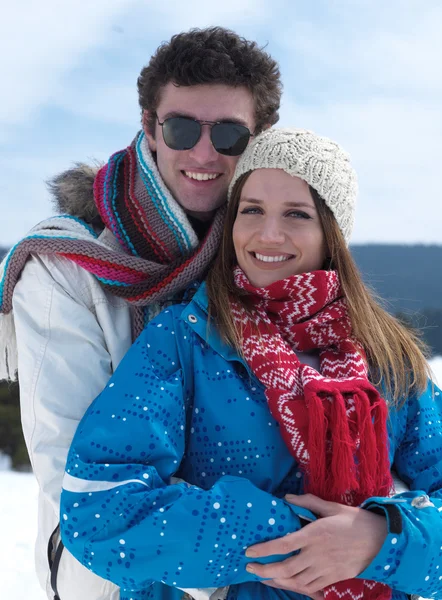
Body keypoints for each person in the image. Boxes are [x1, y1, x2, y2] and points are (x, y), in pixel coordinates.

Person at [59, 128, 442, 600]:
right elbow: (97, 510)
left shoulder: (387, 358)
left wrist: (379, 539)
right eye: (251, 210)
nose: (268, 234)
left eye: (297, 214)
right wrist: (296, 537)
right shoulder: (186, 340)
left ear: (332, 234)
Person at [0, 27, 282, 600]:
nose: (204, 154)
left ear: (259, 141)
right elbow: (75, 475)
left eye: (228, 134)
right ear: (151, 128)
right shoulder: (66, 265)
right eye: (181, 128)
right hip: (111, 565)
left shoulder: (268, 256)